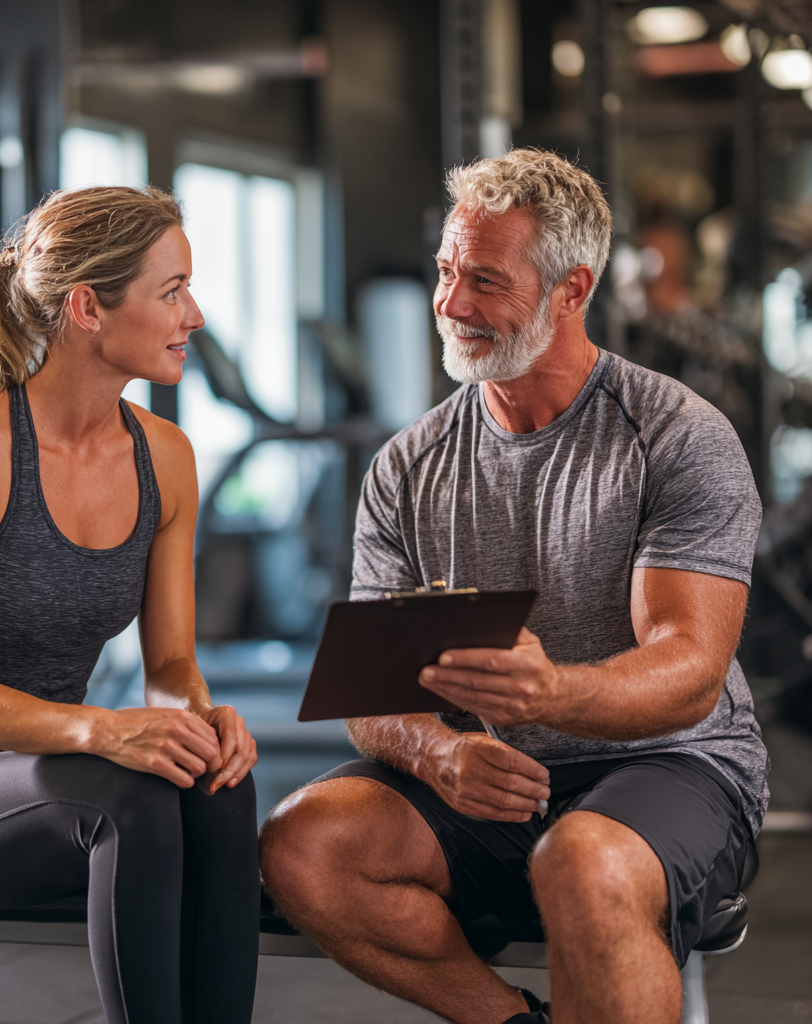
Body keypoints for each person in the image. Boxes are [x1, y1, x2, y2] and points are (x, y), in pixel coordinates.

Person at [259, 150, 769, 1024]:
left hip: (672, 763)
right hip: (488, 775)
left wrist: (553, 692)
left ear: (572, 291)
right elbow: (370, 695)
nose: (451, 304)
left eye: (486, 281)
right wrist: (439, 753)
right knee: (304, 844)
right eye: (446, 272)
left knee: (583, 861)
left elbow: (690, 671)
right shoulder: (408, 464)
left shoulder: (678, 437)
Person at [0, 186, 260, 1024]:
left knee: (217, 788)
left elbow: (171, 663)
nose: (194, 316)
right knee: (129, 798)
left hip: (58, 774)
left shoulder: (165, 457)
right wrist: (104, 731)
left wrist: (197, 723)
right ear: (87, 308)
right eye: (172, 291)